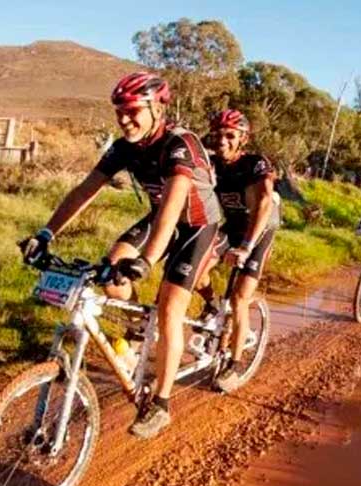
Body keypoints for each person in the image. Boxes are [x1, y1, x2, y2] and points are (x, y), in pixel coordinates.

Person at [19, 72, 224, 439]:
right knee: (113, 271)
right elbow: (87, 189)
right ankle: (138, 331)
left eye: (131, 111)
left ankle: (159, 404)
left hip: (196, 225)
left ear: (157, 108)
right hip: (162, 217)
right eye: (119, 113)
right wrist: (46, 233)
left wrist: (147, 260)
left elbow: (176, 200)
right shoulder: (125, 146)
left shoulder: (181, 143)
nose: (124, 120)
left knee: (170, 308)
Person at [201, 109, 280, 393]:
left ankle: (234, 363)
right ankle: (211, 304)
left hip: (259, 231)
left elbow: (263, 203)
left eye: (229, 136)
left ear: (242, 139)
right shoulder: (212, 164)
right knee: (198, 272)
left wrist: (246, 247)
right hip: (231, 227)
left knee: (239, 298)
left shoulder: (255, 164)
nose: (222, 140)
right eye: (218, 135)